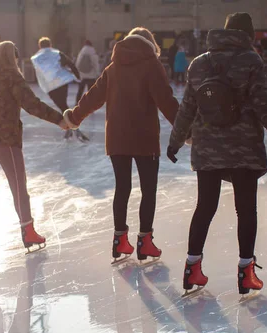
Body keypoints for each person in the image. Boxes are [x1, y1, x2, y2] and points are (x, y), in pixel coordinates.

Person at [166, 12, 267, 295]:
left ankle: (192, 268)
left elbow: (187, 109)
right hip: (243, 148)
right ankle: (245, 273)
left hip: (206, 149)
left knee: (205, 207)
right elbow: (264, 106)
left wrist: (175, 142)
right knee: (246, 209)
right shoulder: (250, 61)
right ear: (247, 34)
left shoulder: (199, 63)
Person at [63, 27, 180, 263]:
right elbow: (166, 100)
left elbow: (93, 96)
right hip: (144, 138)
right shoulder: (151, 65)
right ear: (150, 45)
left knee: (122, 188)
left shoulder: (113, 68)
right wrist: (186, 128)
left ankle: (120, 240)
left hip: (116, 137)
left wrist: (74, 117)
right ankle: (145, 242)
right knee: (148, 190)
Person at [0, 41, 68, 251]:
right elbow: (32, 104)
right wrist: (59, 120)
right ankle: (28, 231)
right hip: (5, 140)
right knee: (18, 184)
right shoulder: (11, 75)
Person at [31, 37, 88, 142]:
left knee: (63, 106)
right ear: (50, 44)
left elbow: (40, 74)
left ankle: (73, 127)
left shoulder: (35, 58)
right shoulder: (57, 53)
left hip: (50, 86)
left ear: (39, 46)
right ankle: (71, 127)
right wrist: (77, 75)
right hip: (62, 82)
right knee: (63, 105)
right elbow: (70, 63)